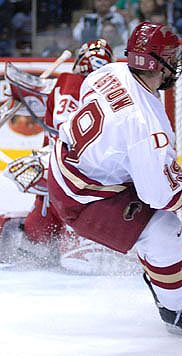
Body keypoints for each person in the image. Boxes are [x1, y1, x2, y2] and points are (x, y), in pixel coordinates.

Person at [48, 22, 182, 337]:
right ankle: (176, 309)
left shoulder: (108, 72)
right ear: (160, 63)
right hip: (83, 198)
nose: (177, 62)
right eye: (173, 56)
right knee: (164, 230)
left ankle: (159, 269)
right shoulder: (145, 125)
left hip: (66, 167)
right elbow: (161, 196)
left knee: (154, 203)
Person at [0, 39, 114, 269]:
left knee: (41, 236)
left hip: (59, 174)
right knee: (51, 238)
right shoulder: (98, 93)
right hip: (77, 181)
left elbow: (25, 88)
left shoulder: (65, 84)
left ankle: (38, 240)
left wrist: (16, 88)